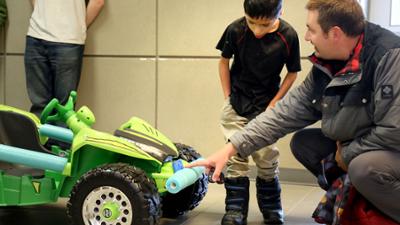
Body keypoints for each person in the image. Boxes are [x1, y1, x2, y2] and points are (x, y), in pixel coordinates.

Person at [188, 0, 400, 223]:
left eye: (311, 29)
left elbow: (394, 132)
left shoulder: (389, 57)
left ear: (335, 33)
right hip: (368, 147)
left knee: (364, 168)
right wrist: (231, 148)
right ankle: (366, 202)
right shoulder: (328, 64)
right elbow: (284, 114)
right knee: (306, 145)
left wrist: (346, 154)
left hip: (390, 149)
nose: (307, 37)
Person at [215, 0, 301, 224]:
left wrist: (275, 102)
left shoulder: (289, 35)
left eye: (265, 24)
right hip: (237, 102)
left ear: (279, 13)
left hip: (267, 106)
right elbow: (223, 62)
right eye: (252, 22)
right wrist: (227, 97)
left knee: (266, 157)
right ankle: (234, 210)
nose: (257, 30)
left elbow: (293, 73)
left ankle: (272, 208)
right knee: (235, 157)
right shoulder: (236, 29)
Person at [24, 0, 104, 117]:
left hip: (61, 40)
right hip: (40, 36)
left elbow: (98, 2)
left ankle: (42, 135)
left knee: (52, 109)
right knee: (62, 110)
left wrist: (79, 27)